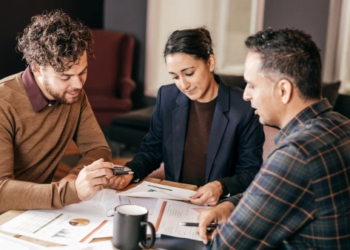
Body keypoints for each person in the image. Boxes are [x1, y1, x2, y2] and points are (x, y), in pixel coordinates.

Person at [197, 28, 350, 249]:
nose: (246, 94)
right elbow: (278, 194)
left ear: (283, 90)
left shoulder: (297, 153)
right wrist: (231, 205)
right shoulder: (342, 127)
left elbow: (226, 246)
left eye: (252, 85)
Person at [109, 27, 264, 206]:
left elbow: (250, 172)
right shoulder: (167, 97)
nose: (183, 85)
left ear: (210, 62)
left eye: (189, 73)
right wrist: (130, 171)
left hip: (219, 206)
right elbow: (151, 150)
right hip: (175, 203)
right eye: (175, 76)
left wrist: (221, 186)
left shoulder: (243, 106)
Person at [0, 10, 114, 213]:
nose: (78, 84)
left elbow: (98, 149)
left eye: (83, 72)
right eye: (65, 76)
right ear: (36, 68)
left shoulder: (75, 95)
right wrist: (70, 191)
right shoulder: (4, 103)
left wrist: (77, 177)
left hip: (37, 210)